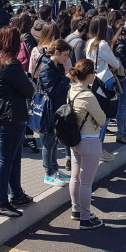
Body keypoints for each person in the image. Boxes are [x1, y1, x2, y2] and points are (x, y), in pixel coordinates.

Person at [0, 27, 35, 218]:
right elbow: (29, 91)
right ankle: (1, 201)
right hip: (10, 114)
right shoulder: (11, 64)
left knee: (12, 158)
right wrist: (29, 84)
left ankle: (17, 194)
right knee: (6, 159)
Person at [67, 59, 105, 230]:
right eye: (94, 74)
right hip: (89, 139)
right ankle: (85, 217)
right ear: (89, 75)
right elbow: (102, 120)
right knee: (87, 183)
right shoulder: (88, 95)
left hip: (74, 139)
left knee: (75, 177)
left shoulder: (72, 91)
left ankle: (75, 210)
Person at [38, 39, 73, 185]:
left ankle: (55, 170)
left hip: (56, 109)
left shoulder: (55, 65)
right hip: (49, 111)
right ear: (56, 52)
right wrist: (66, 79)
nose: (67, 59)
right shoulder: (47, 67)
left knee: (53, 142)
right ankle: (49, 173)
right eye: (65, 55)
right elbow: (51, 91)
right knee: (48, 142)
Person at [85, 16, 119, 161]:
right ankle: (99, 149)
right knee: (105, 117)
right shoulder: (103, 44)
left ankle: (95, 148)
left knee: (94, 117)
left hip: (93, 82)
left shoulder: (89, 42)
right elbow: (115, 64)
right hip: (105, 82)